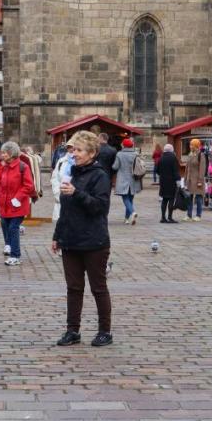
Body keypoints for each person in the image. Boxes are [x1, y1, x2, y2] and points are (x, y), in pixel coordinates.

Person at [52, 130, 113, 347]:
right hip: (70, 239)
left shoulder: (100, 176)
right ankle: (72, 331)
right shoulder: (71, 172)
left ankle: (105, 331)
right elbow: (65, 209)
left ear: (91, 153)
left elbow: (100, 207)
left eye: (79, 150)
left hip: (94, 241)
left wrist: (76, 193)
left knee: (98, 288)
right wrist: (57, 235)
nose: (74, 154)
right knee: (74, 288)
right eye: (73, 150)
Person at [0, 141, 36, 266]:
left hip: (17, 205)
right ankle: (12, 250)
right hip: (5, 205)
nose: (2, 154)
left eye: (4, 153)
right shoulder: (4, 167)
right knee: (7, 227)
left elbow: (29, 186)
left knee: (13, 228)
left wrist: (18, 198)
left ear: (11, 153)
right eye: (2, 152)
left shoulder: (23, 167)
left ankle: (15, 255)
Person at [111, 138, 141, 225]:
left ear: (124, 145)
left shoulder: (120, 154)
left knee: (125, 198)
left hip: (123, 179)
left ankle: (133, 212)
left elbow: (115, 167)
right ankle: (126, 219)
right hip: (134, 179)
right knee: (130, 199)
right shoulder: (136, 154)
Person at [182, 139, 207, 222]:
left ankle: (198, 215)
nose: (190, 146)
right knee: (189, 197)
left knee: (199, 198)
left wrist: (200, 180)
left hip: (197, 180)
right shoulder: (190, 154)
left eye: (192, 145)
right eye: (190, 145)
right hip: (190, 180)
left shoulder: (201, 155)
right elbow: (187, 168)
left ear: (196, 146)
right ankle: (189, 215)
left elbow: (202, 169)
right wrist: (185, 178)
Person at [157, 143, 180, 223]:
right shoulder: (173, 158)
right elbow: (176, 170)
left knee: (164, 199)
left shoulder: (161, 158)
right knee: (171, 199)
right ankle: (170, 217)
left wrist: (162, 175)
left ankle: (163, 217)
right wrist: (178, 180)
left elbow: (157, 170)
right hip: (172, 182)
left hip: (163, 181)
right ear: (172, 150)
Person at [51, 146, 74, 222]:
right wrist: (57, 192)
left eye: (74, 148)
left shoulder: (82, 163)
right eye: (69, 147)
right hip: (61, 196)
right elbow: (55, 178)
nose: (71, 149)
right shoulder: (61, 161)